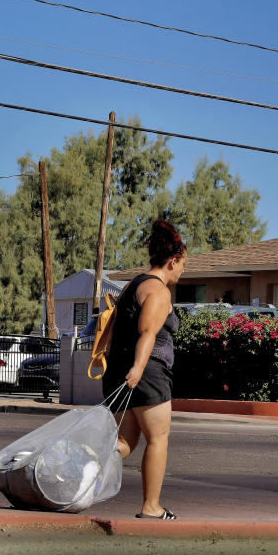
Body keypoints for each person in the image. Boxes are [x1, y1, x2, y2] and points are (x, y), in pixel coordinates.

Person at [103, 218, 187, 520]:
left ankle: (79, 469)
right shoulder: (159, 291)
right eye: (182, 265)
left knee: (123, 443)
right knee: (158, 439)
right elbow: (147, 332)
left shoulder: (132, 285)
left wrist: (124, 370)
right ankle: (152, 507)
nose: (182, 271)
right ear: (173, 260)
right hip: (147, 375)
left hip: (117, 373)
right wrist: (138, 369)